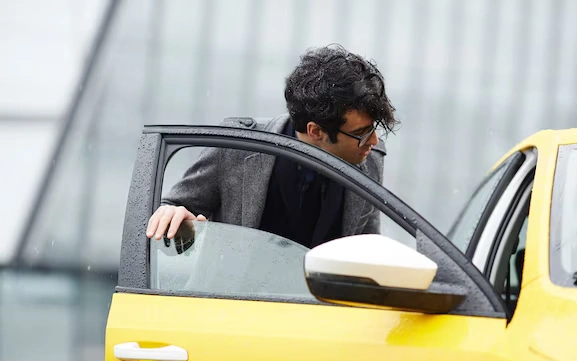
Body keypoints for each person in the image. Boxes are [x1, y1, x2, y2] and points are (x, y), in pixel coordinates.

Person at [146, 44, 399, 248]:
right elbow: (170, 209)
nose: (374, 141)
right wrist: (179, 222)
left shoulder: (371, 159)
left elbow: (368, 249)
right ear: (316, 131)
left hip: (322, 312)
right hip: (232, 308)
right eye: (361, 134)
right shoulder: (237, 146)